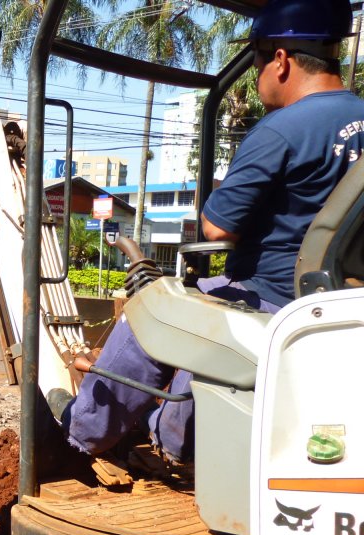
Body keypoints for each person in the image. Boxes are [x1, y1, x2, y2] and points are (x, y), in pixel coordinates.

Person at [55, 0, 364, 468]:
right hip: (345, 304)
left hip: (272, 297)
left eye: (256, 63)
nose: (256, 78)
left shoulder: (283, 129)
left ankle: (80, 436)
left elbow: (217, 226)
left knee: (152, 313)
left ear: (280, 60)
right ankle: (170, 431)